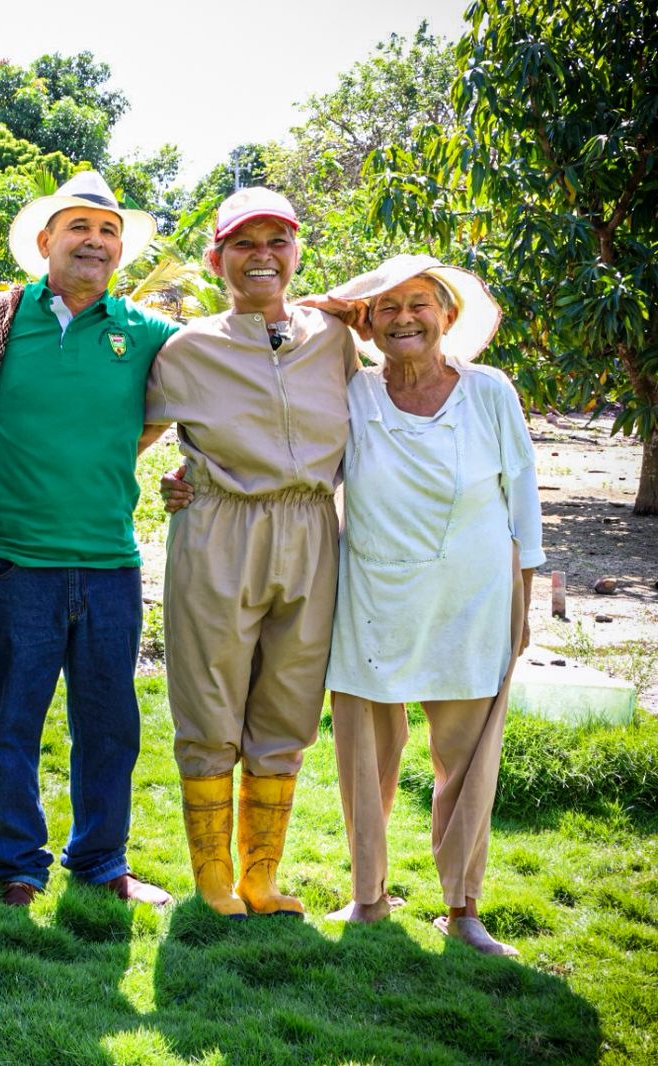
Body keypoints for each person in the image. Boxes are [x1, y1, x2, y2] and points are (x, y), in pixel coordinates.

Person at [0, 171, 174, 908]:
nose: (95, 241)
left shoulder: (144, 334)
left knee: (110, 726)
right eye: (79, 227)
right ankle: (16, 866)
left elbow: (182, 399)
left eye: (108, 231)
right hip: (12, 563)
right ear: (45, 241)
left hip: (110, 562)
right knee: (12, 723)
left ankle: (101, 863)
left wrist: (128, 448)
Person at [143, 187, 359, 919]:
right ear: (218, 258)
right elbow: (124, 436)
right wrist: (177, 480)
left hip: (311, 530)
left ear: (297, 253)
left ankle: (261, 876)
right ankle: (212, 875)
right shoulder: (187, 348)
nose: (262, 256)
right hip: (219, 530)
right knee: (208, 700)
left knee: (290, 702)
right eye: (244, 243)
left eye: (278, 241)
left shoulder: (336, 338)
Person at [314, 255, 539, 956]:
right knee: (364, 753)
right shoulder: (351, 392)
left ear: (447, 314)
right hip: (373, 594)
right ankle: (368, 896)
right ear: (368, 324)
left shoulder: (489, 391)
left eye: (419, 304)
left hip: (471, 594)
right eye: (386, 308)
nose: (405, 318)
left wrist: (526, 593)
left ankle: (463, 908)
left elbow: (523, 493)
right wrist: (339, 314)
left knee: (467, 757)